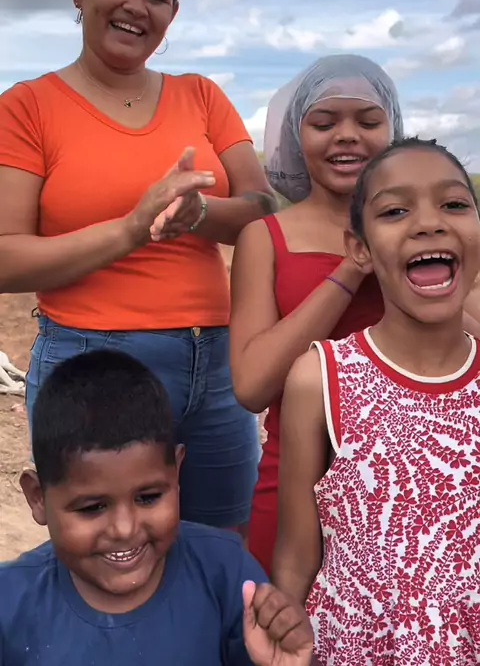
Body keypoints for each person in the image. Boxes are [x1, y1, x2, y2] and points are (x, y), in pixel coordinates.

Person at [0, 0, 276, 533]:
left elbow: (261, 209)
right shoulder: (26, 108)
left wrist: (199, 214)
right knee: (112, 555)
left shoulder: (202, 96)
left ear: (173, 13)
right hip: (93, 363)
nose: (136, 7)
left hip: (220, 364)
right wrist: (132, 229)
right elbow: (5, 257)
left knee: (221, 549)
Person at [274, 137, 480, 663]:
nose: (429, 223)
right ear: (360, 249)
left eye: (454, 204)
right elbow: (296, 558)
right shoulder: (319, 378)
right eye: (394, 211)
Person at [0, 349, 314, 666]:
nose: (125, 529)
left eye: (148, 498)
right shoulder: (10, 604)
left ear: (176, 475)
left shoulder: (229, 576)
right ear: (38, 497)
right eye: (93, 507)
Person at [230, 54, 403, 574]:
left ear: (393, 130)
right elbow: (252, 386)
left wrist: (404, 265)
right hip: (292, 490)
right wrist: (351, 270)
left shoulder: (427, 234)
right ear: (295, 135)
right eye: (324, 123)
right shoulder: (264, 237)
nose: (346, 135)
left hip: (410, 490)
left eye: (368, 121)